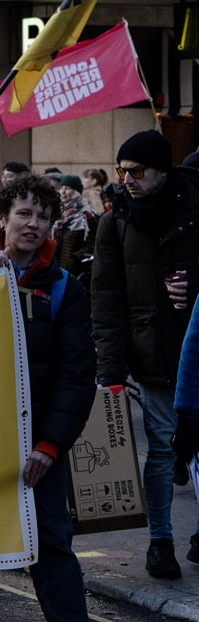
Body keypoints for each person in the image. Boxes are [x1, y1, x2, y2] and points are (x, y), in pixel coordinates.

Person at [0, 173, 130, 622]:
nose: (33, 223)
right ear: (1, 218)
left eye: (43, 216)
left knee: (51, 540)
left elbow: (74, 372)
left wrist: (50, 444)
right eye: (23, 213)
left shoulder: (64, 286)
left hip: (37, 442)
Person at [91, 130, 199, 579]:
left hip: (194, 348)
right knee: (160, 450)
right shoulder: (115, 222)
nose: (127, 180)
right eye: (121, 171)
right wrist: (111, 367)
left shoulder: (196, 208)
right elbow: (107, 298)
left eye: (136, 171)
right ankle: (161, 542)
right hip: (150, 355)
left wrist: (194, 290)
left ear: (163, 170)